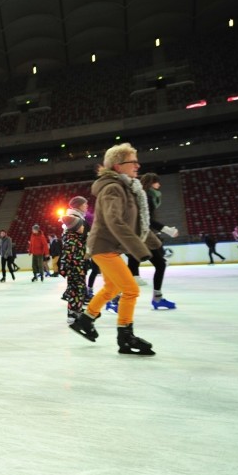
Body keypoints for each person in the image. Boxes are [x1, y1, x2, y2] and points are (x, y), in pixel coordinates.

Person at [69, 143, 156, 356]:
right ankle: (125, 336)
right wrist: (140, 249)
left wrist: (154, 244)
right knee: (131, 290)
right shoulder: (113, 188)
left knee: (113, 289)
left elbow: (135, 223)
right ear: (118, 166)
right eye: (132, 161)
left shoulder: (125, 187)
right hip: (104, 247)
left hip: (108, 247)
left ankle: (85, 320)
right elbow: (114, 221)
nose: (137, 165)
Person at [125, 172, 178, 310]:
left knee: (159, 264)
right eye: (157, 182)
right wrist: (167, 229)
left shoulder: (146, 196)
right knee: (160, 264)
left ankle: (157, 298)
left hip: (142, 234)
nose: (159, 185)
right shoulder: (147, 197)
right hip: (141, 235)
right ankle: (156, 298)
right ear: (151, 183)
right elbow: (146, 221)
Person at [58, 198, 89, 323]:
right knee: (77, 287)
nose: (87, 206)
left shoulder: (76, 218)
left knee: (77, 287)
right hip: (75, 262)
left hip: (77, 261)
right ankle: (73, 313)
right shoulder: (73, 218)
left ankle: (76, 311)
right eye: (85, 204)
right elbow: (68, 253)